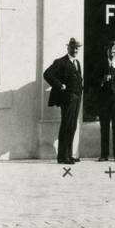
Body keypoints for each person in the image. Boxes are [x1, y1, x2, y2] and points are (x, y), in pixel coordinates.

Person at [43, 37, 84, 165]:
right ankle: (62, 157)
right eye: (73, 47)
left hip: (77, 98)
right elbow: (47, 74)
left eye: (77, 47)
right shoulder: (60, 62)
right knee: (66, 125)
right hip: (67, 99)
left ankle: (69, 155)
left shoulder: (77, 63)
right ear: (68, 48)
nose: (75, 49)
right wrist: (60, 85)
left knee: (72, 126)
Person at [94, 41, 115, 163]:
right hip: (104, 102)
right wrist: (102, 80)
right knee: (104, 128)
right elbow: (93, 83)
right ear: (107, 51)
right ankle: (104, 155)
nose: (113, 52)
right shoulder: (100, 65)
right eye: (111, 49)